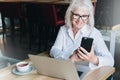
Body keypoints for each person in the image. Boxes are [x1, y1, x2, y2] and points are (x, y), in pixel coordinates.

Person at [50, 0, 114, 70]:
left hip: (86, 72)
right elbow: (53, 50)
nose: (80, 20)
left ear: (89, 17)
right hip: (66, 69)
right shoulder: (63, 29)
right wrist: (70, 58)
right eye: (76, 15)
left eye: (84, 16)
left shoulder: (94, 33)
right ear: (70, 14)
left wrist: (93, 59)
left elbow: (110, 61)